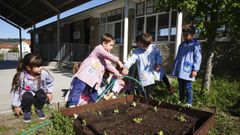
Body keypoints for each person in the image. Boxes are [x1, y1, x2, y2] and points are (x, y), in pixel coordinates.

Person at [66, 33, 124, 107]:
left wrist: (116, 73)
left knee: (93, 92)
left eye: (113, 45)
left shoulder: (105, 54)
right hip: (85, 75)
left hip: (94, 79)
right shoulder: (98, 49)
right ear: (104, 43)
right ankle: (72, 105)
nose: (112, 47)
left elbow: (108, 65)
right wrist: (118, 61)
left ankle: (94, 104)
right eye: (111, 45)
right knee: (78, 89)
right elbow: (108, 56)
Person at [10, 53, 54, 122]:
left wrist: (49, 92)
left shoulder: (44, 73)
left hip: (39, 89)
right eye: (38, 66)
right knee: (27, 97)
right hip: (27, 92)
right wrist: (16, 106)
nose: (41, 68)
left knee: (42, 95)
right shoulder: (22, 76)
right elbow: (16, 91)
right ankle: (27, 111)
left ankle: (39, 108)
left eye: (41, 65)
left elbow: (50, 81)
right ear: (28, 68)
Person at [172, 24, 202, 107]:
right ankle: (181, 99)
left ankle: (189, 102)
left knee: (189, 87)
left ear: (192, 35)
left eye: (186, 35)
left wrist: (195, 69)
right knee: (180, 86)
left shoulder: (195, 45)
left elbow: (198, 58)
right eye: (183, 35)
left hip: (188, 70)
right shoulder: (182, 45)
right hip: (180, 70)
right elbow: (178, 56)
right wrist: (175, 67)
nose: (184, 37)